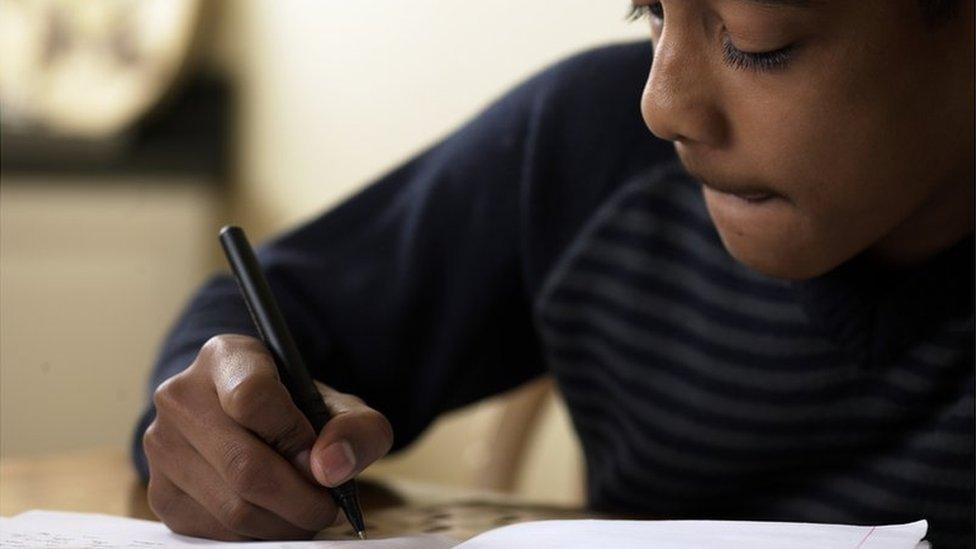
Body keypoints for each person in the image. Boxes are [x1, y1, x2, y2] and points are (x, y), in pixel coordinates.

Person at [133, 1, 974, 546]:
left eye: (756, 44)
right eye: (651, 11)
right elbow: (260, 314)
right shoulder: (588, 154)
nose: (663, 103)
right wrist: (228, 418)